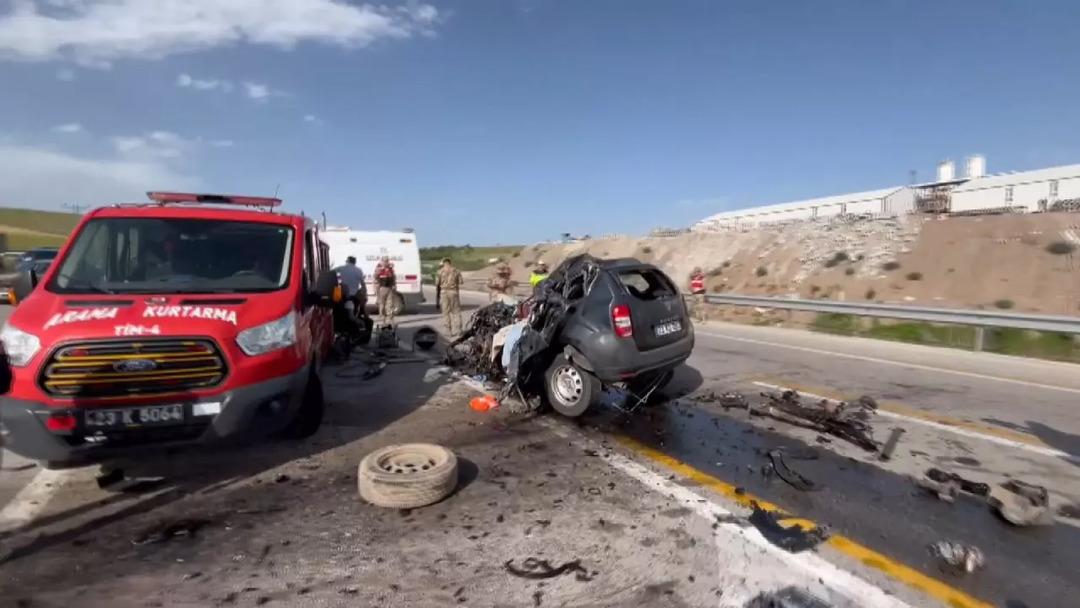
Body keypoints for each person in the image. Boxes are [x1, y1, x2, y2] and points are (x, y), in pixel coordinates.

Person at [436, 257, 464, 336]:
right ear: (450, 262)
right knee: (456, 312)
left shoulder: (439, 271)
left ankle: (448, 331)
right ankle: (459, 330)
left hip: (444, 293)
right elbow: (461, 282)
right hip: (454, 292)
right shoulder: (456, 271)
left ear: (443, 263)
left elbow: (437, 283)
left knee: (446, 312)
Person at [374, 256, 398, 326]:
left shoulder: (390, 269)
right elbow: (375, 277)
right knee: (382, 304)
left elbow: (393, 278)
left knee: (390, 304)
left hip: (389, 288)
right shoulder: (379, 268)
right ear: (382, 261)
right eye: (384, 261)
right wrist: (381, 270)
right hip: (382, 288)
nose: (385, 262)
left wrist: (394, 285)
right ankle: (383, 320)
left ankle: (390, 320)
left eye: (387, 261)